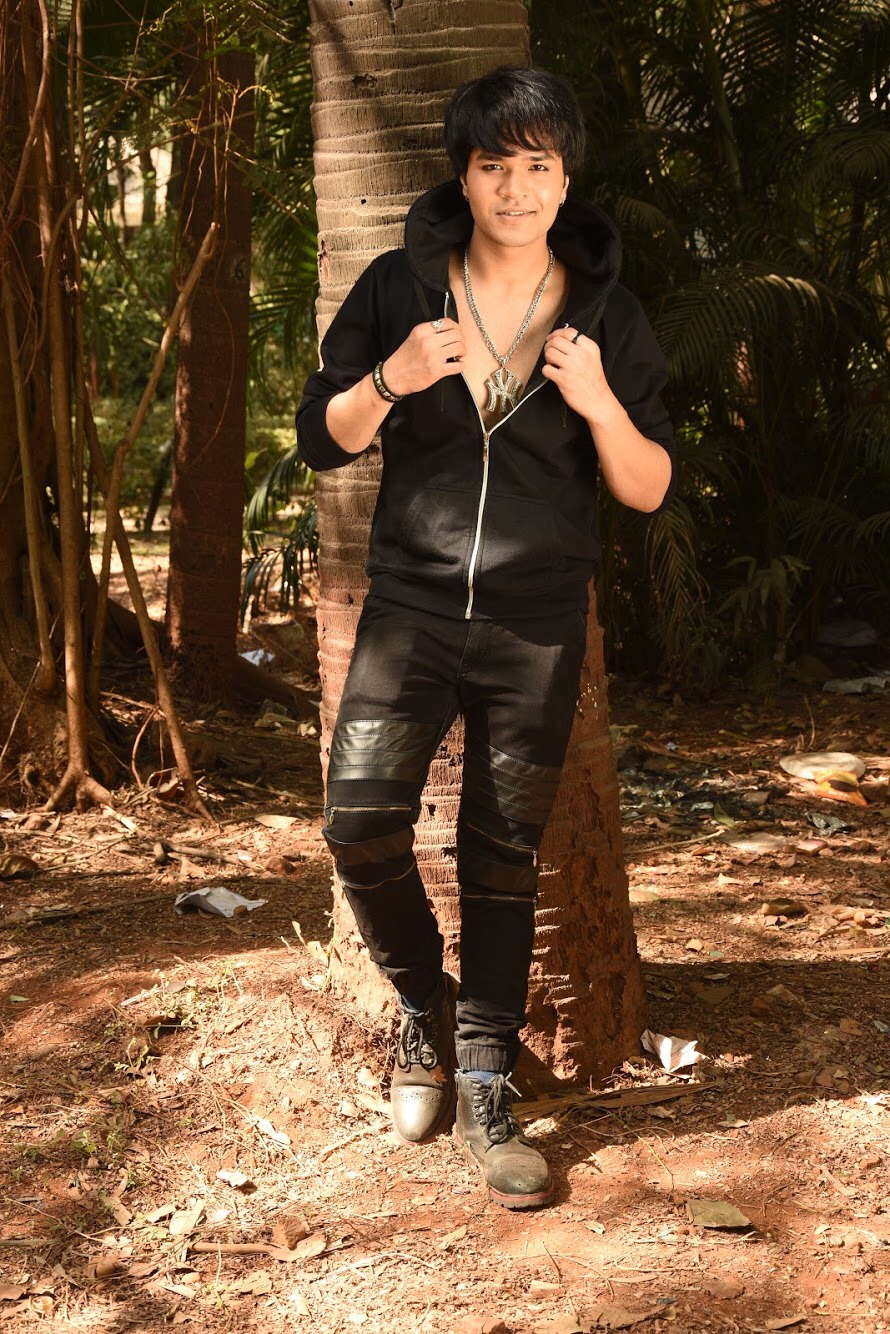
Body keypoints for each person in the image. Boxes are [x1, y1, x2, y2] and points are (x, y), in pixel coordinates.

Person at [296, 66, 675, 1210]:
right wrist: (391, 376)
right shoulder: (399, 288)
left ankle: (483, 1078)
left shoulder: (605, 315)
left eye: (536, 165)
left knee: (501, 855)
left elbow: (648, 486)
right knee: (357, 821)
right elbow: (321, 435)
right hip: (408, 610)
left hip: (534, 624)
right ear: (462, 179)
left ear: (564, 179)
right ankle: (424, 1001)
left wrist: (598, 400)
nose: (515, 187)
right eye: (492, 164)